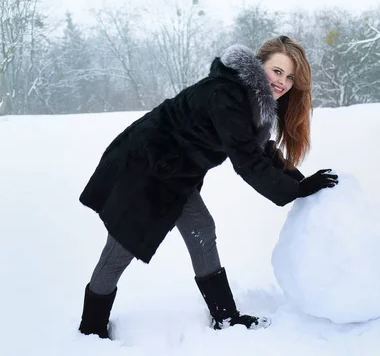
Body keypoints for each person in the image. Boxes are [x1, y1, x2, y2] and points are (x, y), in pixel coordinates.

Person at [77, 36, 339, 339]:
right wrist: (297, 191)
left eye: (290, 77)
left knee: (201, 226)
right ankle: (91, 329)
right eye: (277, 71)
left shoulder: (249, 98)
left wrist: (301, 181)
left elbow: (260, 150)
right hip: (145, 166)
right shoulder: (226, 96)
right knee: (122, 245)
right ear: (259, 65)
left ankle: (225, 317)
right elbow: (247, 162)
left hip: (174, 170)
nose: (283, 82)